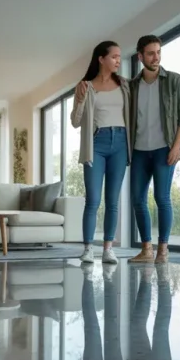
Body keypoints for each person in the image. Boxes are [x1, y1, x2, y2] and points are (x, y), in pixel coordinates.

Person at [128, 35, 180, 264]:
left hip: (165, 148)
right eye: (151, 53)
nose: (156, 57)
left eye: (158, 52)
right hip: (138, 151)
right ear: (140, 56)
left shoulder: (174, 81)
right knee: (137, 199)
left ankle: (163, 249)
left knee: (162, 197)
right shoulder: (132, 86)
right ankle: (146, 249)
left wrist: (177, 146)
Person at [71, 41, 132, 265]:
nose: (118, 60)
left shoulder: (124, 85)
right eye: (114, 56)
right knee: (93, 199)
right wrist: (78, 99)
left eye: (119, 56)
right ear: (101, 59)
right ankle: (88, 248)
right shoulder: (86, 86)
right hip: (96, 143)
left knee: (113, 200)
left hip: (120, 144)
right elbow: (76, 122)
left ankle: (108, 249)